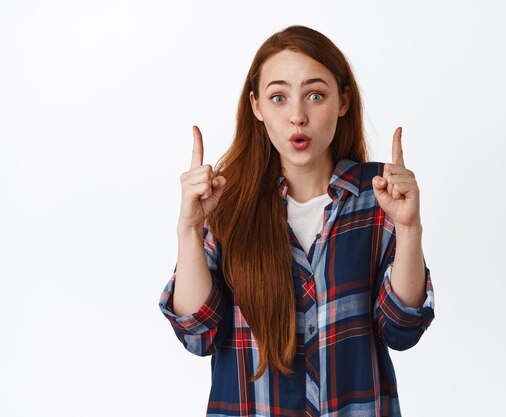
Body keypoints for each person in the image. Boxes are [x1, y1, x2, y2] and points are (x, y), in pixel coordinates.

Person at [158, 24, 435, 417]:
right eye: (278, 97)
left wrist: (409, 228)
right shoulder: (226, 205)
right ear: (256, 107)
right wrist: (188, 230)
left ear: (343, 101)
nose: (297, 117)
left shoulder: (378, 199)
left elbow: (402, 328)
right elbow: (198, 333)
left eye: (315, 95)